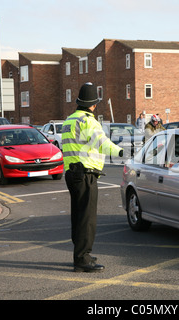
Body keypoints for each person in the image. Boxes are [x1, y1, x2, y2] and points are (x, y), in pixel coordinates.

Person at [62, 82, 123, 273]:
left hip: (72, 174)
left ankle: (80, 254)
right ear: (93, 105)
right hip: (86, 174)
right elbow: (103, 144)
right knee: (87, 219)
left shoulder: (69, 121)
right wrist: (121, 152)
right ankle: (82, 259)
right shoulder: (88, 121)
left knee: (78, 217)